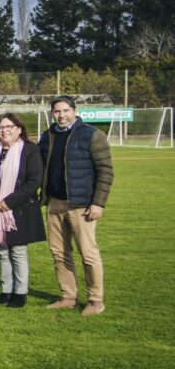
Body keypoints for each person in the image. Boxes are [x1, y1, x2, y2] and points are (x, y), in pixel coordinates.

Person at [38, 95, 114, 316]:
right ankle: (68, 296)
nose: (61, 115)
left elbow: (106, 171)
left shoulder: (91, 134)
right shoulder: (48, 135)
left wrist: (98, 203)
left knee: (88, 254)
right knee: (59, 253)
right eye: (57, 111)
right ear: (52, 113)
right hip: (54, 203)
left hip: (81, 205)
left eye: (65, 111)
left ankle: (95, 300)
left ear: (74, 110)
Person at [0, 113, 45, 309]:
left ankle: (20, 293)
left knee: (17, 252)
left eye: (9, 126)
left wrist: (9, 202)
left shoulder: (30, 150)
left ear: (19, 129)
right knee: (1, 252)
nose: (4, 130)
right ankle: (6, 291)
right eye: (0, 127)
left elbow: (34, 181)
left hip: (18, 209)